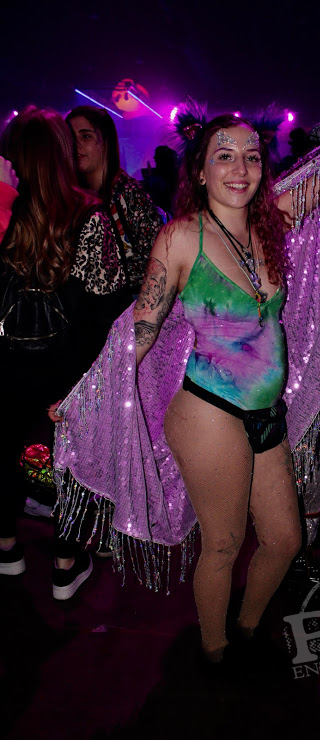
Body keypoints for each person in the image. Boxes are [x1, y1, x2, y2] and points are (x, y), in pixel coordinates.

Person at [53, 94, 320, 662]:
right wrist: (86, 393)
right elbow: (140, 330)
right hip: (209, 413)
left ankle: (246, 631)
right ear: (200, 172)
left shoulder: (272, 223)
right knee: (222, 544)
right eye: (224, 156)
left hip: (266, 413)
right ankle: (215, 653)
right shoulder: (181, 238)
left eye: (251, 155)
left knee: (285, 539)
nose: (240, 167)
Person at [0, 107, 135, 598]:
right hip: (68, 364)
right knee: (70, 460)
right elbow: (109, 306)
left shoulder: (4, 210)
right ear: (62, 153)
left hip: (7, 361)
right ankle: (63, 563)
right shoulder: (88, 213)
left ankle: (7, 549)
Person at [66, 106, 167, 294]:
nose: (76, 144)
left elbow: (156, 258)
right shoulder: (71, 196)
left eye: (86, 136)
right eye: (70, 137)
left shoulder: (127, 191)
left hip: (130, 300)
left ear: (105, 142)